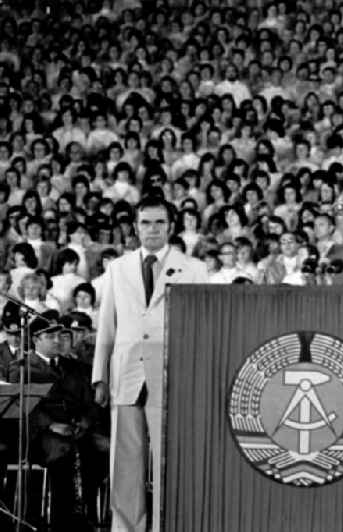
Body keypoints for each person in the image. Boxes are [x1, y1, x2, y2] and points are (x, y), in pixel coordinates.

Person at [91, 196, 208, 532]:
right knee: (125, 462)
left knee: (170, 462)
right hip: (126, 374)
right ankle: (127, 527)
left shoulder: (194, 269)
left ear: (170, 226)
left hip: (173, 374)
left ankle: (167, 526)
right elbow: (107, 325)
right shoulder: (118, 267)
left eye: (159, 222)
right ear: (135, 226)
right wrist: (100, 375)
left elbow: (201, 328)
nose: (152, 229)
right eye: (145, 222)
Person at [9, 317, 106, 530]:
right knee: (63, 452)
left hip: (79, 429)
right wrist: (52, 425)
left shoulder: (76, 367)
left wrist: (85, 421)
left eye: (59, 336)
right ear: (35, 339)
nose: (56, 341)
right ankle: (65, 519)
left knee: (105, 451)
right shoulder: (22, 368)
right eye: (50, 336)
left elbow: (90, 401)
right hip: (42, 434)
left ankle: (88, 510)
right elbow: (25, 407)